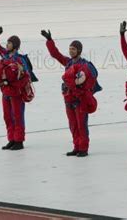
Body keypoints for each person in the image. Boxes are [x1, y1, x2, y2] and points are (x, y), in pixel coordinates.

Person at [41, 29, 101, 157]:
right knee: (73, 126)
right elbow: (55, 54)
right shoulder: (68, 62)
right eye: (70, 48)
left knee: (81, 126)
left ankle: (83, 149)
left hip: (80, 101)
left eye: (73, 49)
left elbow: (92, 78)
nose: (71, 51)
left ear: (79, 51)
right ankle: (76, 147)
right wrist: (49, 41)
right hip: (69, 100)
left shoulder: (85, 65)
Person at [0, 27, 36, 151]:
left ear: (15, 46)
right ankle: (11, 139)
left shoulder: (20, 59)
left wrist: (14, 84)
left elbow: (26, 76)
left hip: (16, 93)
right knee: (7, 116)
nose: (6, 45)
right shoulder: (5, 55)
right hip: (5, 92)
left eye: (9, 43)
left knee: (17, 116)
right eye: (7, 42)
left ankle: (19, 141)